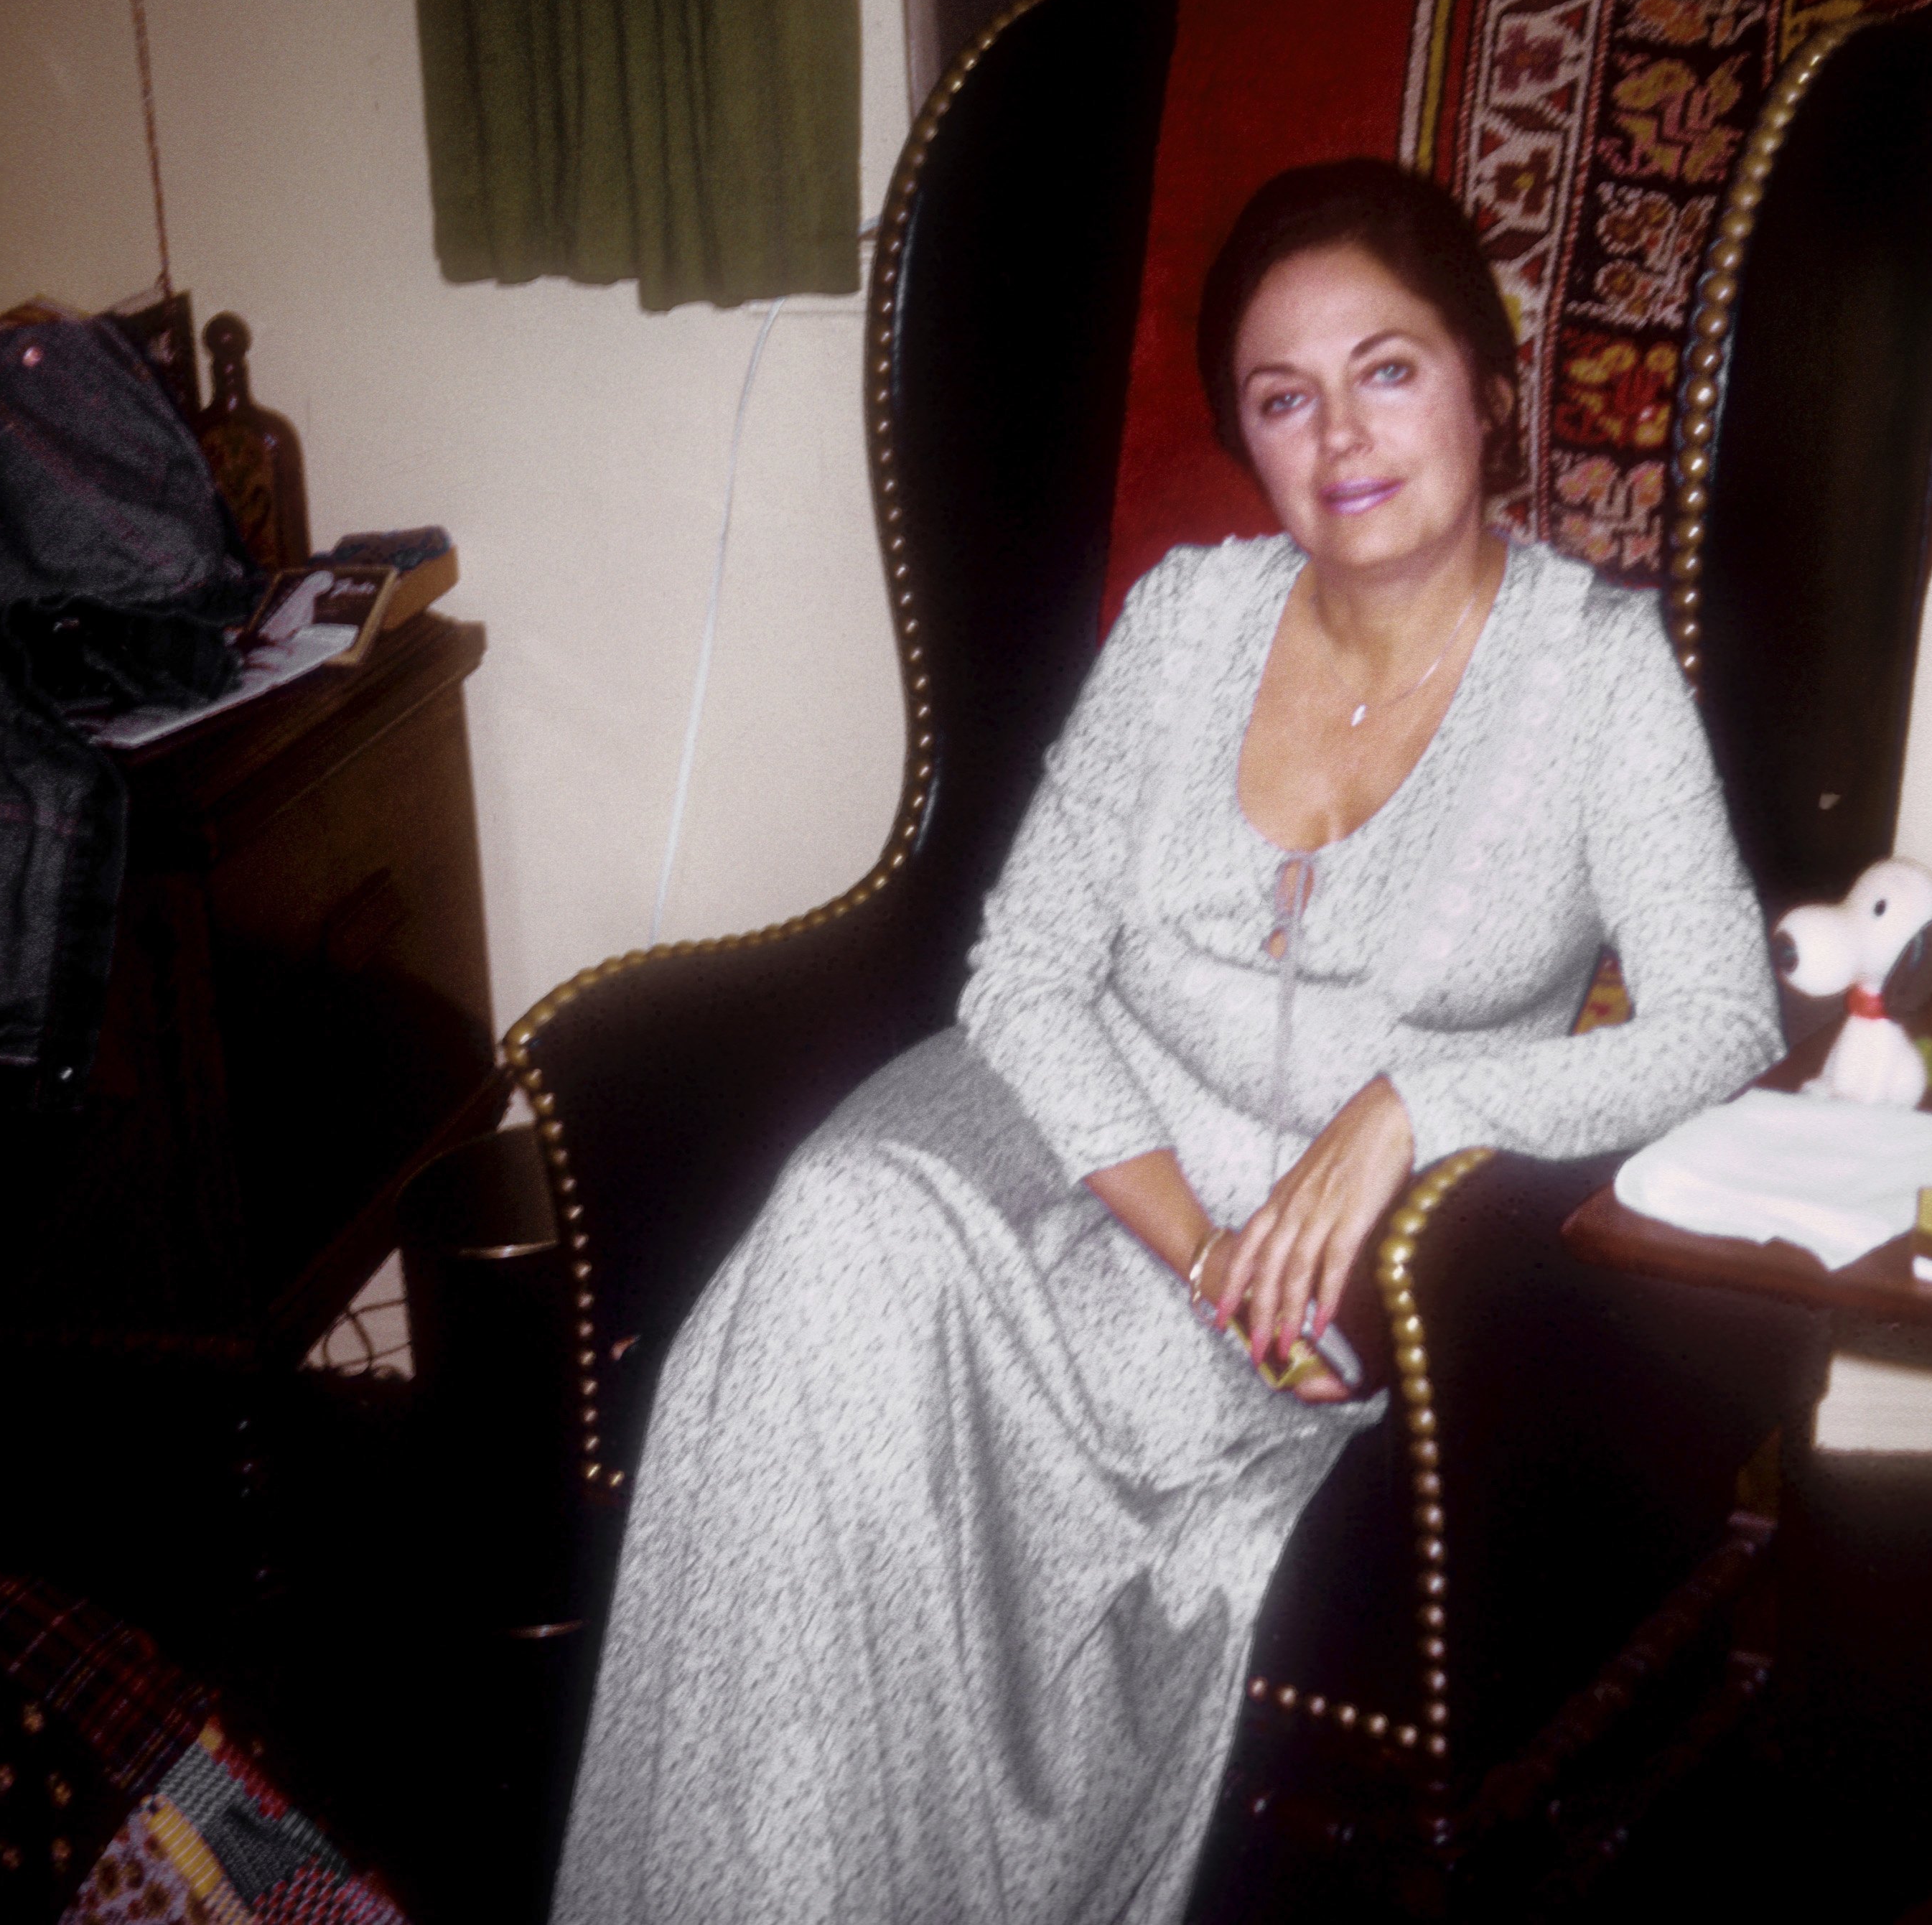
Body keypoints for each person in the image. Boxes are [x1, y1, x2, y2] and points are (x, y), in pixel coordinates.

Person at [550, 159, 1784, 1924]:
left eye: (1389, 368)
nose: (1340, 438)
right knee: (831, 1247)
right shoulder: (1186, 624)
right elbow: (1025, 973)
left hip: (1337, 1273)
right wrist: (1203, 1249)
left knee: (898, 1378)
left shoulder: (1598, 677)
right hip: (1065, 1144)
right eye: (1284, 399)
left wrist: (1414, 1101)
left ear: (1490, 384)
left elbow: (1722, 1022)